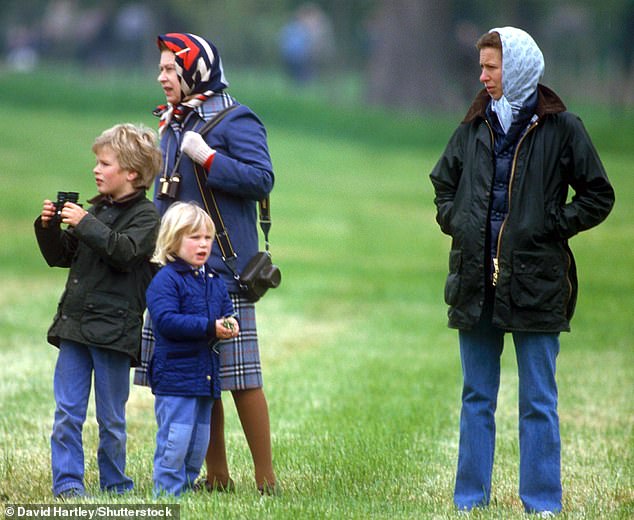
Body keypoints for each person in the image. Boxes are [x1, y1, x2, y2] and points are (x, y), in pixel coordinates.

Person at [429, 27, 615, 515]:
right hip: (475, 284)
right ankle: (469, 501)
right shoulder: (473, 125)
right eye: (482, 66)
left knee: (538, 402)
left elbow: (599, 195)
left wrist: (554, 225)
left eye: (492, 67)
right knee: (476, 398)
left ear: (519, 68)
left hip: (537, 284)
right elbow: (442, 183)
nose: (483, 76)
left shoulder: (563, 128)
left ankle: (542, 504)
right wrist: (461, 223)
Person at [145, 32, 277, 494]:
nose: (162, 77)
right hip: (179, 272)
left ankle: (267, 481)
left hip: (225, 268)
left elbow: (262, 180)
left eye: (169, 68)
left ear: (194, 69)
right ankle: (217, 477)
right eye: (160, 69)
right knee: (203, 378)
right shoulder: (173, 122)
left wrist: (210, 157)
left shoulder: (234, 118)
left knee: (242, 376)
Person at [34, 123, 162, 498]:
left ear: (132, 174)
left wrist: (85, 223)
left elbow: (124, 252)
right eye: (97, 163)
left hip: (113, 333)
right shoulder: (96, 210)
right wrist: (47, 228)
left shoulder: (146, 217)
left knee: (111, 419)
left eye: (105, 164)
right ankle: (68, 483)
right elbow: (61, 256)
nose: (96, 170)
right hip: (75, 328)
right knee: (67, 414)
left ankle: (115, 483)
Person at [146, 202, 239, 497]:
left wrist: (230, 324)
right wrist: (210, 327)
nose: (203, 244)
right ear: (173, 240)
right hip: (175, 378)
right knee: (176, 438)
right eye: (194, 237)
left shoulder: (213, 280)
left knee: (199, 440)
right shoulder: (166, 280)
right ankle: (167, 490)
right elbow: (166, 321)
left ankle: (186, 485)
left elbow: (227, 311)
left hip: (205, 377)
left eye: (207, 238)